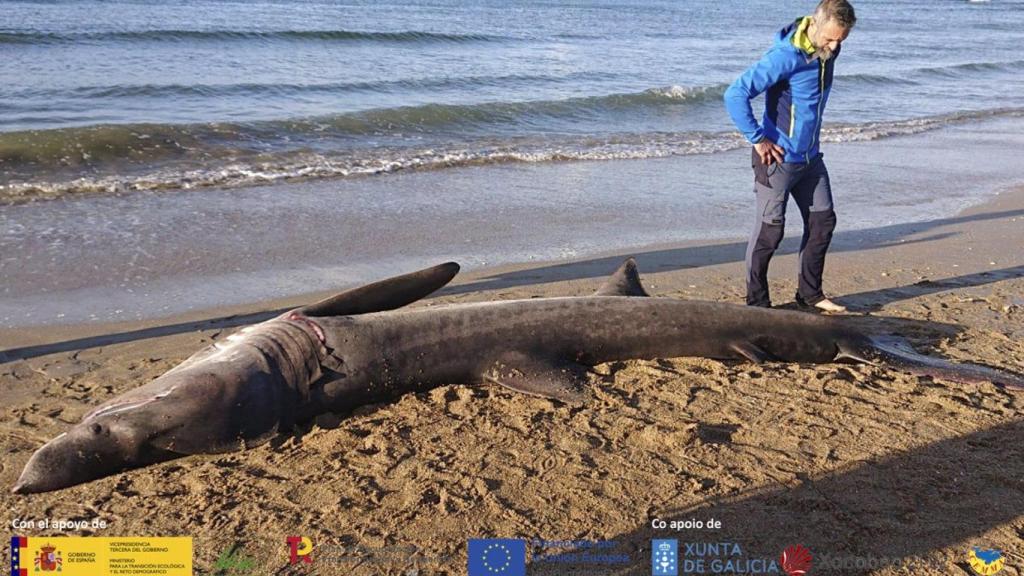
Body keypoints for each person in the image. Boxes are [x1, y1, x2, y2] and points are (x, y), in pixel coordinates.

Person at [723, 0, 856, 312]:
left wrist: (831, 45)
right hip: (778, 161)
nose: (835, 45)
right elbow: (735, 93)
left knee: (823, 222)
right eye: (831, 38)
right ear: (814, 23)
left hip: (810, 159)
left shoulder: (827, 50)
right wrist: (758, 138)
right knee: (770, 232)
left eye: (842, 39)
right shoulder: (785, 57)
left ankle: (810, 296)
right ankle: (757, 305)